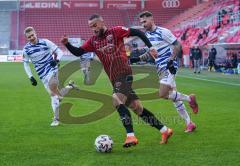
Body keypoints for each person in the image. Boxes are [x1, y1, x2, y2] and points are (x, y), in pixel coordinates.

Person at [61, 14, 173, 148]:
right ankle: (165, 130)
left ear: (102, 22)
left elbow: (137, 32)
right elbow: (78, 52)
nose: (93, 29)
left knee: (116, 100)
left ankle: (130, 136)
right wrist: (67, 44)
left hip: (124, 73)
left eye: (95, 25)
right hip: (114, 79)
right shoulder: (93, 41)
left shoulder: (116, 31)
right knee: (137, 108)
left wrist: (151, 47)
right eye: (91, 27)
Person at [130, 11, 198, 132]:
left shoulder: (163, 31)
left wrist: (171, 60)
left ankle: (189, 99)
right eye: (141, 22)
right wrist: (137, 59)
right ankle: (189, 123)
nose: (143, 24)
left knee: (163, 94)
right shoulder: (147, 36)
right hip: (160, 67)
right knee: (174, 97)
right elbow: (152, 53)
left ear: (152, 19)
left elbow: (178, 45)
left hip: (169, 65)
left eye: (145, 21)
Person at [23, 27, 79, 127]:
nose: (31, 38)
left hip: (52, 70)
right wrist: (31, 77)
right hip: (42, 75)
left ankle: (56, 119)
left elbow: (60, 52)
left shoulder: (45, 42)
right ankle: (70, 86)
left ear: (36, 33)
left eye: (32, 35)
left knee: (53, 95)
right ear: (27, 38)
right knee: (59, 97)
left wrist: (56, 61)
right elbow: (26, 64)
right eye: (29, 37)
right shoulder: (26, 49)